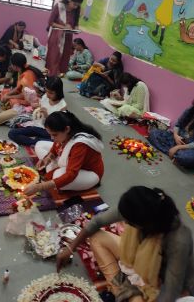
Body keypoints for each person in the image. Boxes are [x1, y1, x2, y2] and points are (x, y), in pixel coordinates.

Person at [56, 186, 194, 302]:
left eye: (130, 222)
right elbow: (97, 222)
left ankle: (121, 292)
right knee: (97, 237)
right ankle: (119, 288)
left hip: (160, 283)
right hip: (139, 262)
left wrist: (139, 290)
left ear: (145, 223)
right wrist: (70, 247)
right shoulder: (141, 207)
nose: (125, 223)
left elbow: (170, 293)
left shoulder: (178, 241)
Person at [24, 111, 104, 193]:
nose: (52, 138)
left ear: (67, 129)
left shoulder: (80, 144)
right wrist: (47, 158)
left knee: (58, 176)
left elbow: (71, 174)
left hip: (88, 172)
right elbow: (55, 148)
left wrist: (41, 187)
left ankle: (57, 172)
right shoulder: (64, 133)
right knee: (39, 145)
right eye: (50, 134)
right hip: (68, 162)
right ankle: (56, 170)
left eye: (54, 135)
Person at [8, 76, 67, 146]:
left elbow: (58, 128)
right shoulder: (45, 96)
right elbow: (40, 106)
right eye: (47, 91)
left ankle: (37, 142)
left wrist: (47, 116)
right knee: (12, 133)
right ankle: (36, 142)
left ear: (58, 92)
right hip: (38, 126)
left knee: (54, 140)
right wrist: (36, 106)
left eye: (51, 93)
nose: (48, 95)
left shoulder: (62, 106)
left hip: (49, 132)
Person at [45, 0, 84, 76]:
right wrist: (63, 27)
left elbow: (75, 24)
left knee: (62, 62)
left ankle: (54, 82)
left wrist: (76, 29)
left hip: (67, 38)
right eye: (74, 4)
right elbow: (50, 22)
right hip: (56, 37)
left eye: (78, 5)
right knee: (54, 61)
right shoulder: (59, 6)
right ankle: (50, 81)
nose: (75, 6)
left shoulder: (76, 10)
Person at [148, 102, 194, 169]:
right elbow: (177, 125)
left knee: (186, 157)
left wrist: (179, 147)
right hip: (177, 140)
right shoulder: (190, 110)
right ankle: (174, 155)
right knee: (154, 133)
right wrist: (176, 136)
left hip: (189, 148)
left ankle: (176, 154)